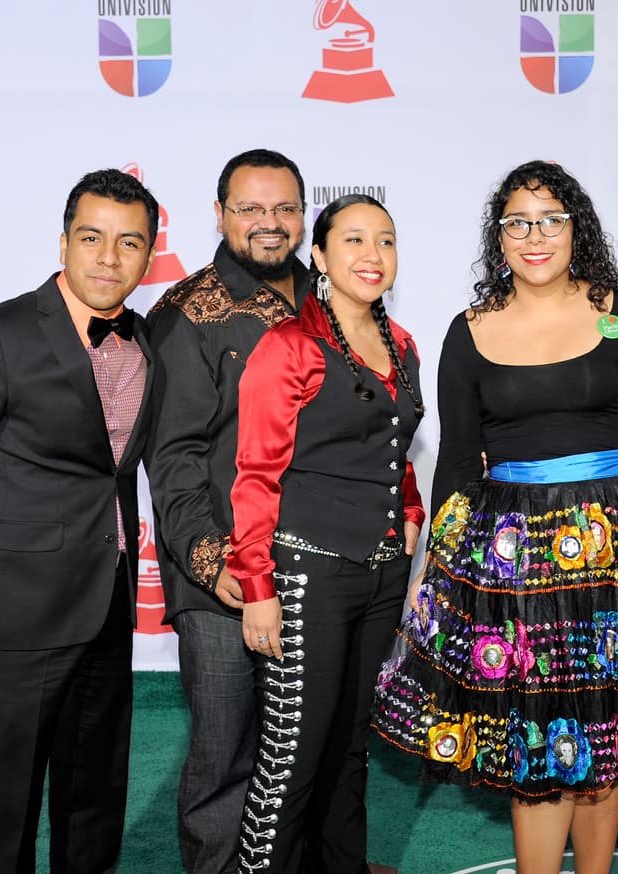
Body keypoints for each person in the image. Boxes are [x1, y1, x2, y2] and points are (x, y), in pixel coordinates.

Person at [372, 161, 618, 874]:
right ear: (499, 237)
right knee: (538, 739)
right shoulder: (470, 329)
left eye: (550, 219)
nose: (534, 236)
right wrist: (439, 579)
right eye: (517, 222)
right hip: (516, 562)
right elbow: (456, 463)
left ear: (577, 229)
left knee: (610, 734)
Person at [0, 168, 159, 873]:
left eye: (129, 242)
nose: (109, 258)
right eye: (92, 238)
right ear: (64, 242)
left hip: (107, 609)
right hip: (12, 616)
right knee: (5, 804)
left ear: (149, 254)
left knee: (94, 799)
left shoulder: (146, 347)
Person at [227, 194, 426, 874]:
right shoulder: (289, 347)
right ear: (318, 256)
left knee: (351, 747)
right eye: (354, 241)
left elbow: (395, 448)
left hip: (379, 577)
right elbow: (255, 472)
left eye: (386, 242)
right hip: (303, 572)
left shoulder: (402, 346)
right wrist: (257, 586)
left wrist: (410, 513)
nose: (373, 256)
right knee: (292, 753)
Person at [145, 148, 314, 874]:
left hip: (317, 571)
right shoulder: (188, 313)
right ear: (219, 215)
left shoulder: (331, 300)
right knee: (226, 756)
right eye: (250, 208)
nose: (269, 224)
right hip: (226, 585)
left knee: (312, 750)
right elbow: (174, 460)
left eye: (283, 208)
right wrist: (220, 567)